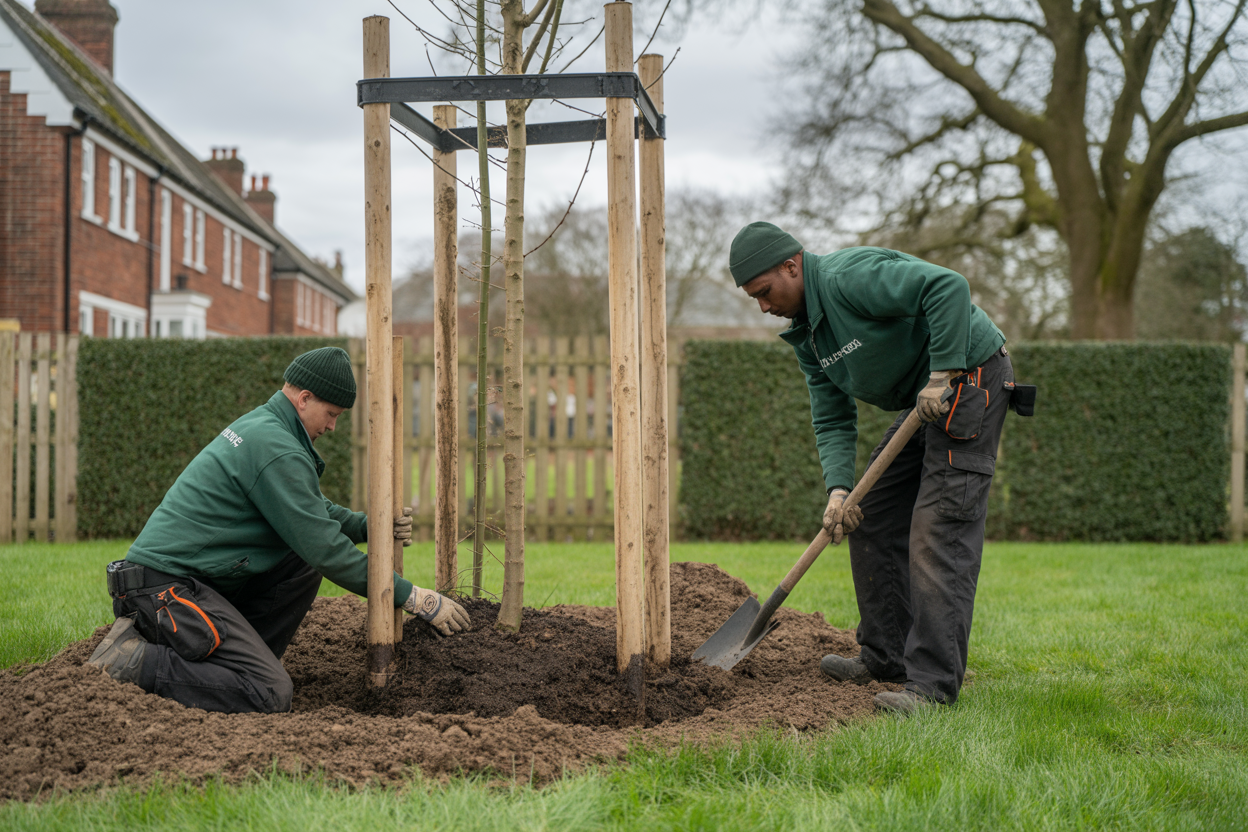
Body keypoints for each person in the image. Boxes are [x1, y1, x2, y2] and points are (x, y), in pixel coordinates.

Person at [86, 347, 470, 714]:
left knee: (299, 560)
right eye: (331, 413)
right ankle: (138, 661)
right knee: (269, 693)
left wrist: (367, 526)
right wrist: (411, 597)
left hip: (176, 584)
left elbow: (309, 513)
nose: (333, 427)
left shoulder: (263, 426)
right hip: (163, 593)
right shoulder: (276, 448)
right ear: (304, 398)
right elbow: (325, 548)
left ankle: (235, 666)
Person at [729, 222, 1013, 714]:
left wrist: (942, 369)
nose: (763, 306)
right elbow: (832, 415)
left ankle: (933, 688)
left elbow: (947, 286)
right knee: (871, 513)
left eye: (765, 292)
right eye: (754, 298)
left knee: (938, 530)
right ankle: (886, 656)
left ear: (791, 266)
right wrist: (839, 490)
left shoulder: (847, 278)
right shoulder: (810, 337)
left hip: (969, 377)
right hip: (926, 398)